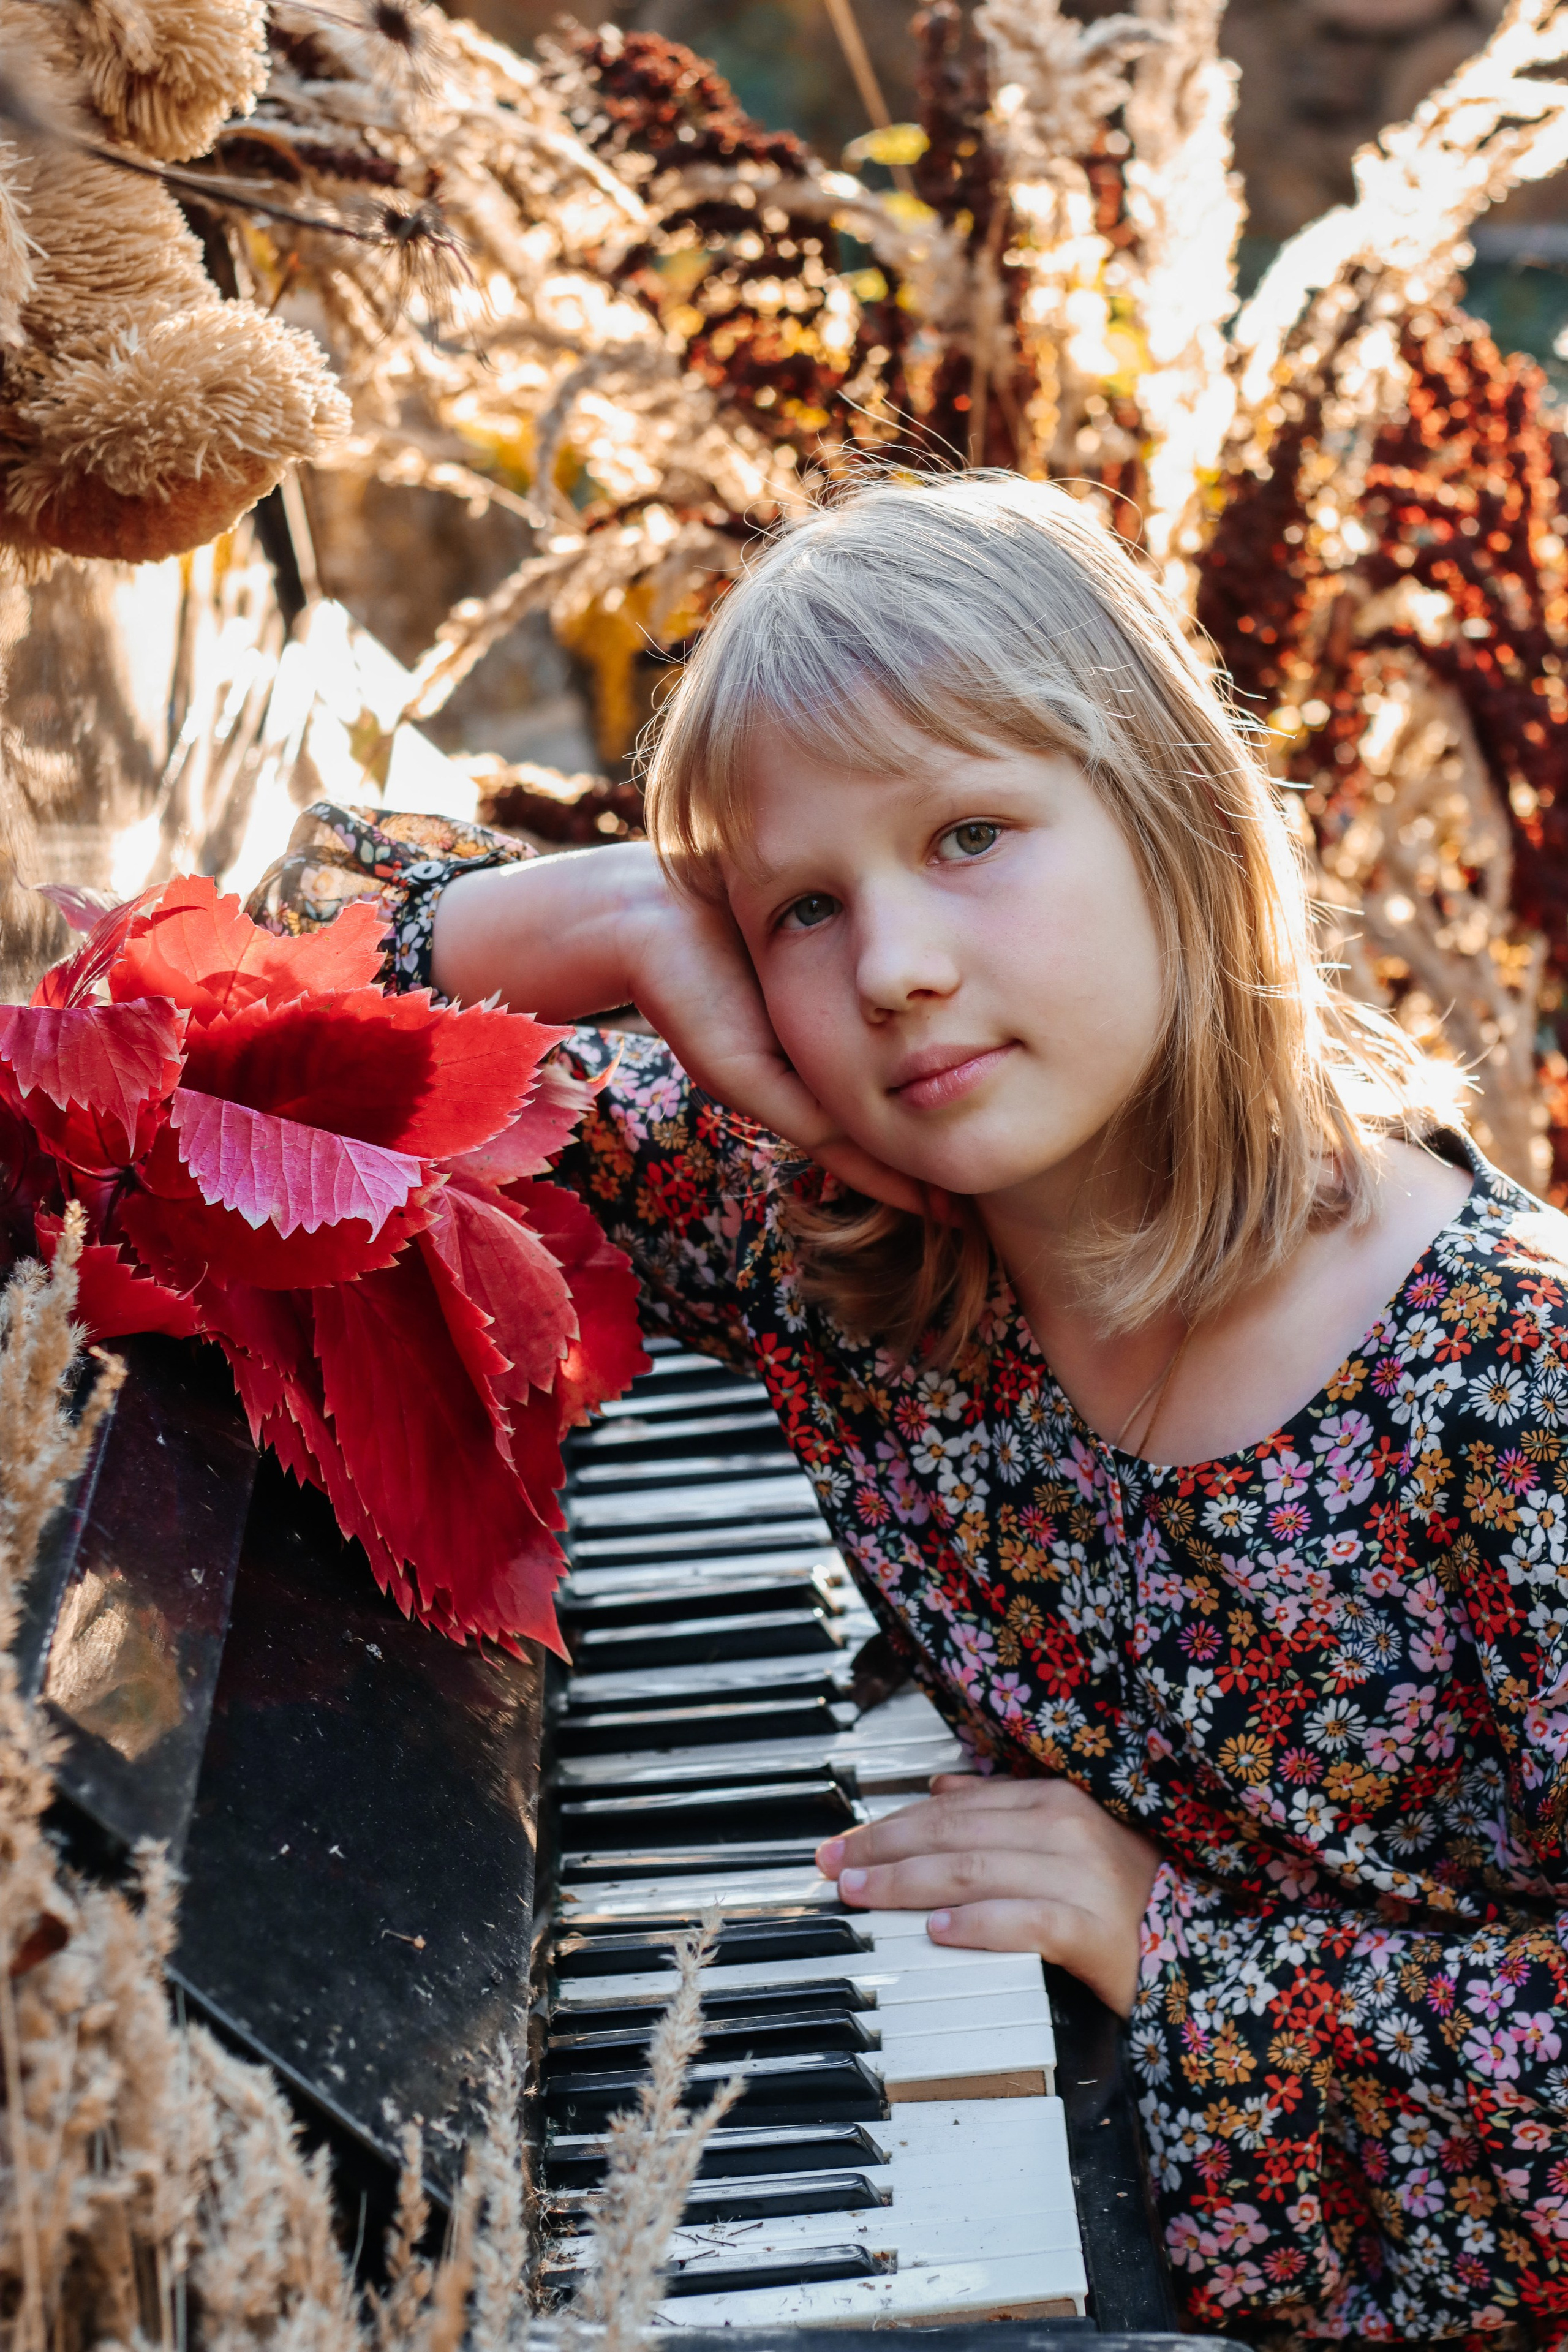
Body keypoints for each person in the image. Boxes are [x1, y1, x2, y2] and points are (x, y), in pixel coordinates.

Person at [251, 472, 1568, 2346]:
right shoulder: (832, 1222)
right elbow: (224, 1014)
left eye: (968, 834)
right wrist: (629, 911)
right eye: (802, 904)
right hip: (1109, 2193)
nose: (894, 968)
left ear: (1177, 817)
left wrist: (1171, 1947)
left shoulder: (1513, 1395)